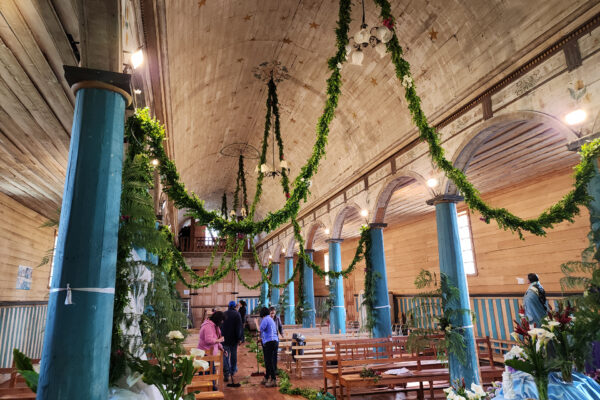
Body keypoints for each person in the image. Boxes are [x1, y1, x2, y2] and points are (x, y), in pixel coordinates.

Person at [221, 301, 243, 383]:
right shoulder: (237, 314)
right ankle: (233, 371)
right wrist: (239, 338)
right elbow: (239, 328)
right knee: (233, 355)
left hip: (224, 339)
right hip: (233, 340)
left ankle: (226, 374)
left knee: (225, 356)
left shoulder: (224, 314)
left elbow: (220, 326)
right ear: (234, 307)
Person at [259, 307, 279, 387]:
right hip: (274, 341)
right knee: (268, 361)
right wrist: (261, 339)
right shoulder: (270, 319)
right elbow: (267, 331)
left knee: (269, 361)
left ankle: (273, 380)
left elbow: (259, 330)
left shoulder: (265, 319)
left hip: (270, 342)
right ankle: (267, 377)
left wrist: (256, 322)